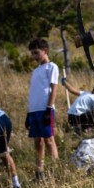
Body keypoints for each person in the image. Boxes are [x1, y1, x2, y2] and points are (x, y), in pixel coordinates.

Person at [25, 38, 59, 180]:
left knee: (49, 140)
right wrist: (28, 113)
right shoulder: (35, 71)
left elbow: (54, 89)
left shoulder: (52, 67)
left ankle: (57, 170)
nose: (34, 56)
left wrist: (49, 108)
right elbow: (34, 92)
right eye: (32, 53)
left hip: (45, 109)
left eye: (36, 52)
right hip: (34, 110)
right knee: (37, 141)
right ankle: (39, 173)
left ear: (45, 51)